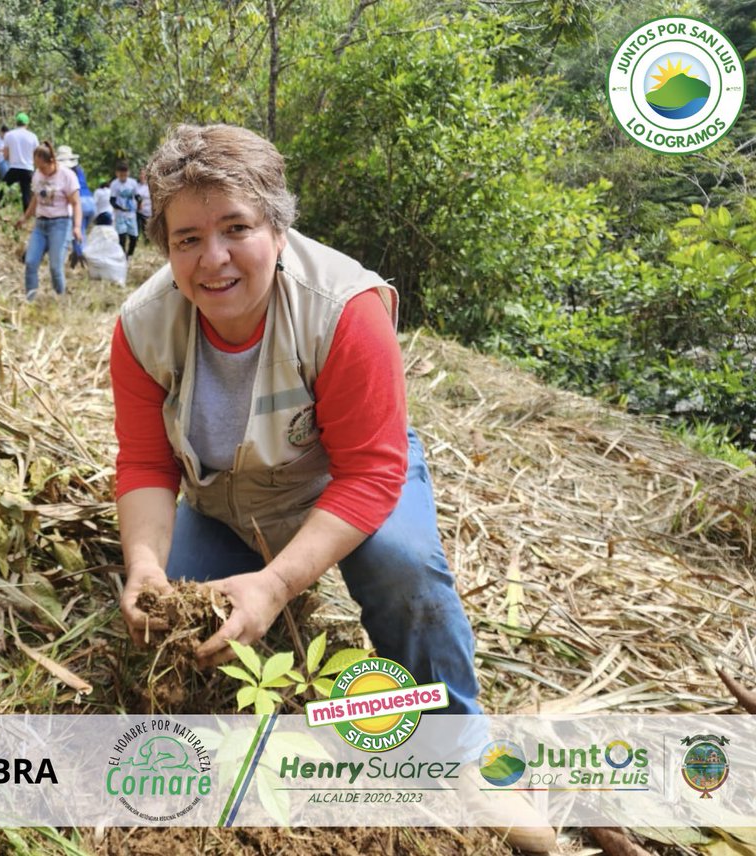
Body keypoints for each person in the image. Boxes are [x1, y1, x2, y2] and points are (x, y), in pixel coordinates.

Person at [109, 124, 556, 852]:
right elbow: (147, 465)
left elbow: (371, 471)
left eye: (236, 229)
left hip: (349, 477)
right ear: (165, 246)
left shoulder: (342, 307)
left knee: (403, 569)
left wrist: (279, 582)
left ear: (278, 229)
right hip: (230, 500)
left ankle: (463, 748)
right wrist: (147, 569)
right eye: (187, 238)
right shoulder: (142, 328)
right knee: (176, 599)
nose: (213, 259)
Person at [14, 141, 82, 301]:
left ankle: (61, 299)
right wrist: (24, 217)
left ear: (52, 162)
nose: (40, 171)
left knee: (55, 267)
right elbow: (35, 199)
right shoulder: (37, 174)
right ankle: (30, 299)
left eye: (43, 167)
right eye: (37, 167)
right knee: (30, 262)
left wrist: (77, 227)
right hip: (40, 225)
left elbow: (76, 203)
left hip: (60, 224)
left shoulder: (67, 176)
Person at [56, 145, 95, 267]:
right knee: (82, 231)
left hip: (79, 202)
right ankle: (78, 255)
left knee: (77, 230)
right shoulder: (79, 169)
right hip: (90, 201)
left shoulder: (65, 172)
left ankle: (80, 257)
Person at [3, 112, 39, 211]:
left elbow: (5, 155)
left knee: (3, 188)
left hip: (14, 167)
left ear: (16, 122)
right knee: (26, 194)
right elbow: (37, 154)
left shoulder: (9, 135)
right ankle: (26, 217)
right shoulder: (33, 136)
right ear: (27, 123)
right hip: (28, 169)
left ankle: (2, 208)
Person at [110, 160, 140, 257]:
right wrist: (120, 208)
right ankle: (122, 256)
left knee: (134, 237)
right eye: (120, 174)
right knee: (121, 237)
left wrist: (140, 200)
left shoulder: (133, 183)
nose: (123, 176)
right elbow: (112, 200)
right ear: (117, 173)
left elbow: (136, 195)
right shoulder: (114, 184)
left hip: (131, 214)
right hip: (120, 215)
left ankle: (130, 254)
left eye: (125, 173)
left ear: (128, 173)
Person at [136, 167, 152, 241]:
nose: (142, 176)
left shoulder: (150, 186)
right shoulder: (136, 186)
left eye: (143, 174)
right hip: (137, 211)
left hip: (148, 212)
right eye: (141, 174)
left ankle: (147, 243)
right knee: (137, 231)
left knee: (146, 231)